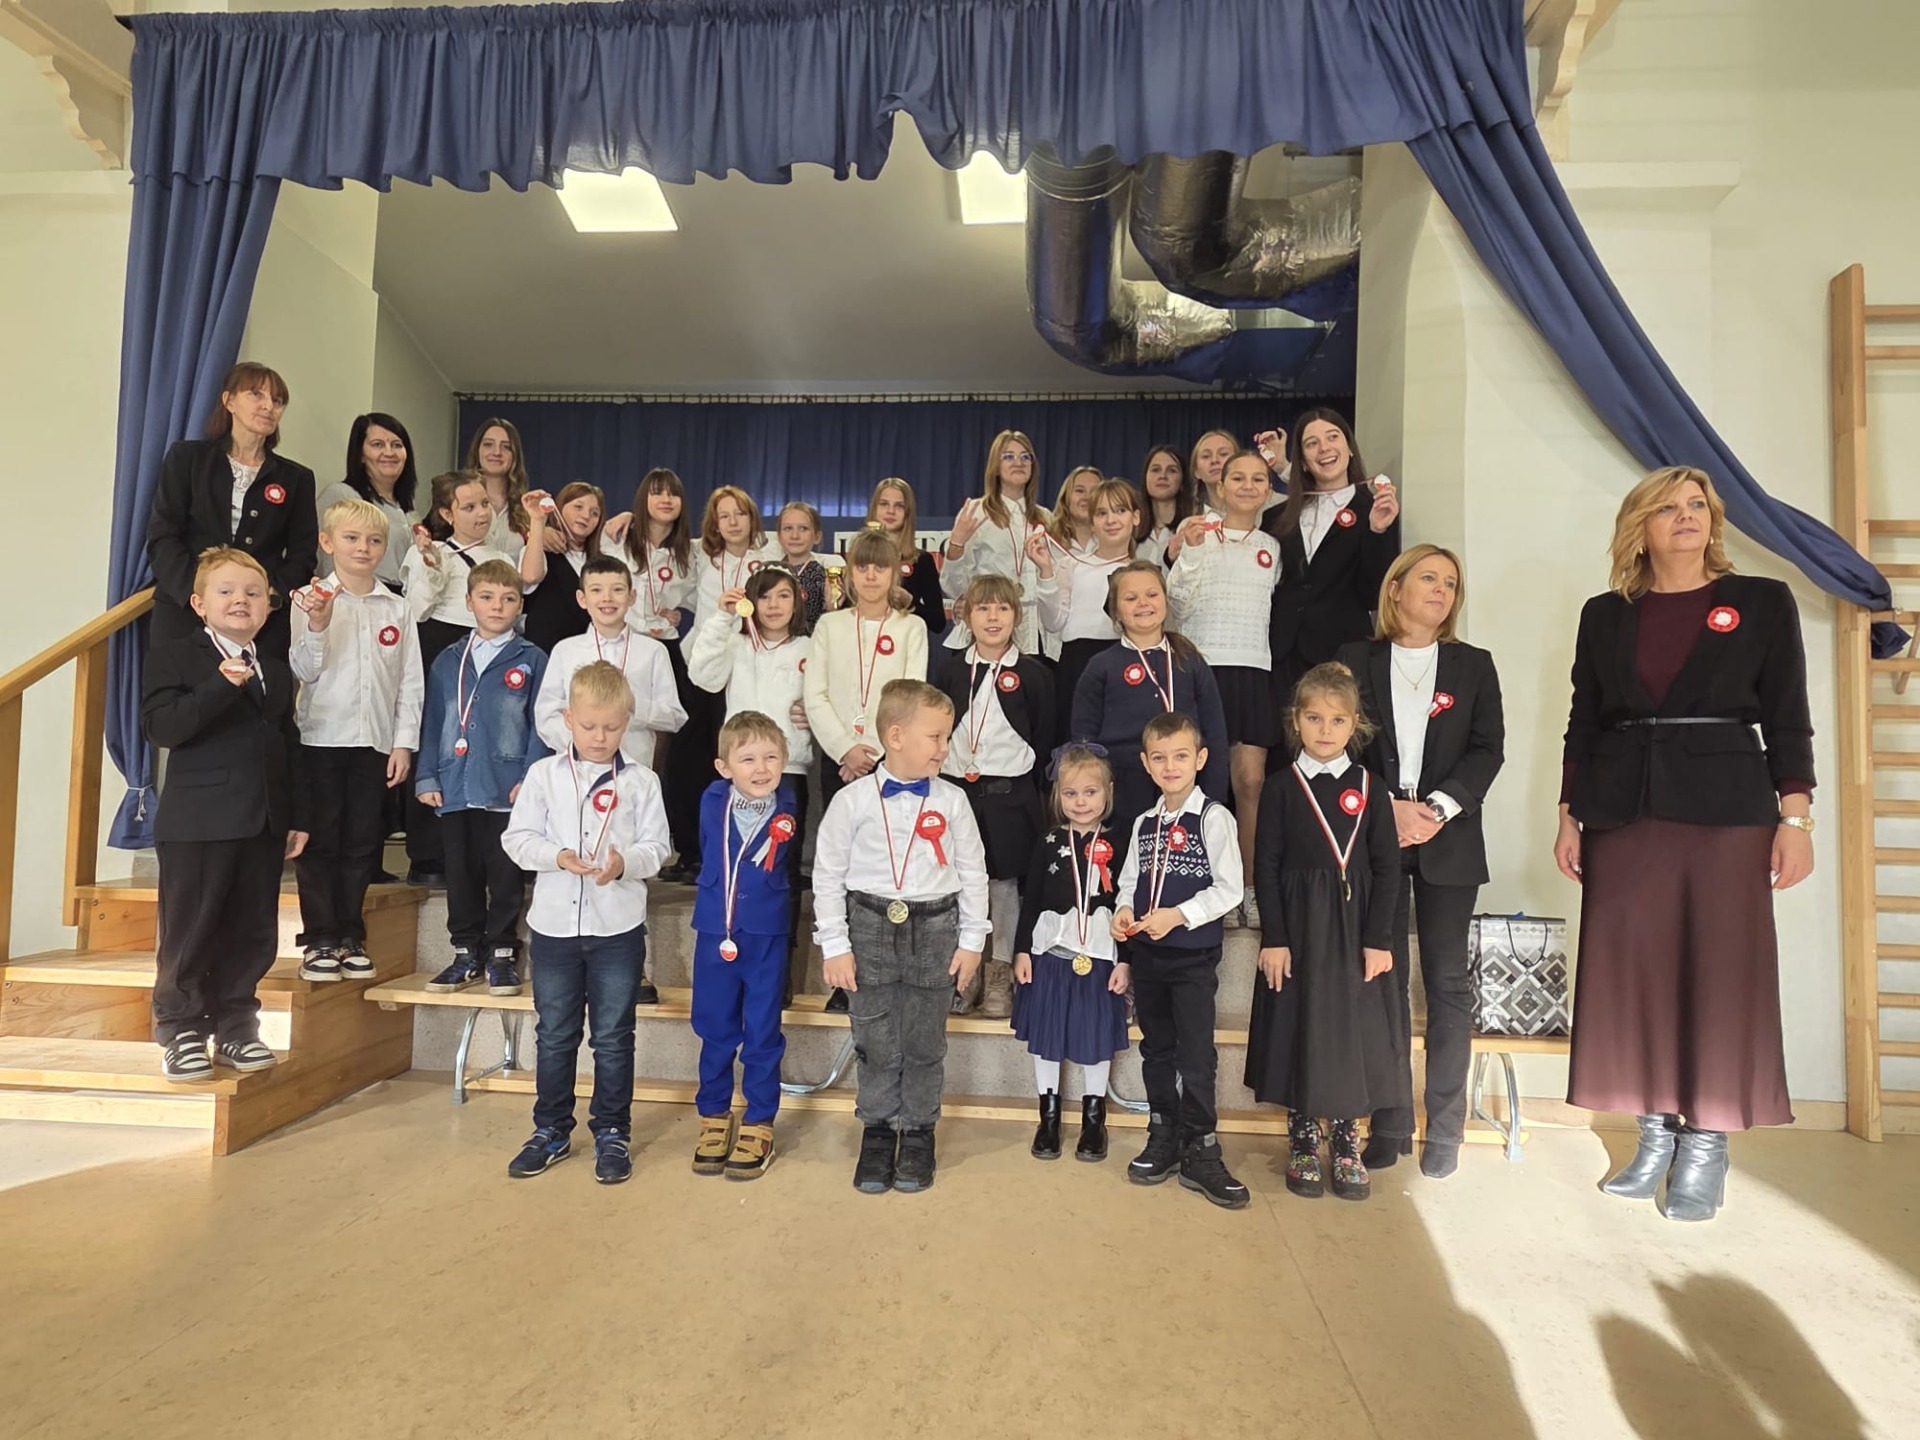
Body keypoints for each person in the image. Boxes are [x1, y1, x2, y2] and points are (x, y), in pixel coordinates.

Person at [1556, 466, 1814, 1224]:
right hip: (1623, 811)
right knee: (1633, 975)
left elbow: (1789, 716)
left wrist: (1795, 819)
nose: (1686, 516)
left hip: (1727, 812)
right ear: (1640, 526)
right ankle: (1653, 1136)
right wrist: (1568, 814)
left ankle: (1706, 1143)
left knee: (1720, 974)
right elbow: (1584, 719)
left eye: (1697, 505)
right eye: (1667, 507)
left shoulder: (1761, 601)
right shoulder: (1605, 614)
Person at [1334, 544, 1505, 1179]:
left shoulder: (1473, 665)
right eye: (1428, 578)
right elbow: (1338, 744)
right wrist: (1387, 810)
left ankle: (1446, 1131)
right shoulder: (1355, 659)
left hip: (1448, 836)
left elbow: (1488, 749)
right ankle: (1390, 1124)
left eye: (1451, 583)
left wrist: (1434, 809)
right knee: (1382, 980)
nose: (1440, 590)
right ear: (1396, 589)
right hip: (1375, 834)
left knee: (1447, 985)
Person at [813, 679, 989, 1195]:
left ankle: (917, 1131)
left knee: (924, 1040)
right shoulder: (851, 801)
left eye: (946, 737)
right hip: (867, 926)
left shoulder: (954, 801)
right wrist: (835, 945)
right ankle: (876, 1129)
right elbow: (827, 876)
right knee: (874, 1038)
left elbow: (973, 873)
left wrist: (972, 941)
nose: (943, 748)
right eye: (935, 737)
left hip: (935, 928)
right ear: (895, 736)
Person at [501, 660, 671, 1185]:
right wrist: (556, 856)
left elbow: (658, 847)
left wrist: (625, 863)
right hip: (554, 929)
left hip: (617, 930)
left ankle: (613, 1132)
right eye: (590, 726)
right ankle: (550, 1130)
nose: (600, 737)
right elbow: (516, 839)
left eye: (612, 727)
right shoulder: (543, 776)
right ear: (568, 720)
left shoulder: (642, 781)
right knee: (555, 1034)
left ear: (627, 722)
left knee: (614, 1037)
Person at [141, 547, 307, 1081]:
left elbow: (286, 744)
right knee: (191, 928)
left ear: (268, 606)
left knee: (252, 929)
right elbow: (163, 728)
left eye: (254, 593)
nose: (242, 600)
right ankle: (181, 1029)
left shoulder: (274, 669)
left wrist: (296, 814)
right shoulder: (174, 656)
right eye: (227, 591)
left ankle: (237, 1026)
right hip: (198, 821)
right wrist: (221, 684)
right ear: (199, 604)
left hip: (261, 821)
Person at [1246, 663, 1404, 1202]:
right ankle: (1302, 1136)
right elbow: (1267, 866)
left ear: (1354, 725)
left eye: (1337, 720)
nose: (1325, 729)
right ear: (1296, 721)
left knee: (1350, 1030)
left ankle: (1345, 1138)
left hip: (1355, 931)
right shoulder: (1280, 787)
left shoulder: (1372, 788)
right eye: (1314, 718)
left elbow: (1387, 868)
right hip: (1298, 928)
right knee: (1301, 1023)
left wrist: (1379, 939)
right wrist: (1274, 937)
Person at [1111, 710, 1247, 1208]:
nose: (1171, 767)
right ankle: (1163, 1133)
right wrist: (1124, 910)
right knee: (1156, 1049)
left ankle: (1202, 1146)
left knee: (1195, 1054)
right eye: (1160, 758)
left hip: (1192, 957)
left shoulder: (1214, 817)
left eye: (1181, 756)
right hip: (1149, 956)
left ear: (1201, 759)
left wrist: (1179, 915)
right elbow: (1129, 880)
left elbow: (1230, 889)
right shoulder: (1144, 823)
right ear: (1146, 764)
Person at [288, 499, 423, 982]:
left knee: (363, 842)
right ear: (327, 543)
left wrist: (403, 743)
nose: (363, 548)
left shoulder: (397, 607)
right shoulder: (309, 599)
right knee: (321, 841)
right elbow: (303, 669)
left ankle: (350, 935)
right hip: (321, 739)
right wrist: (319, 624)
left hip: (374, 742)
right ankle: (319, 939)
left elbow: (409, 681)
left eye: (374, 540)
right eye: (351, 538)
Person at [804, 528, 931, 1008]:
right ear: (850, 573)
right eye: (863, 566)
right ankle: (843, 976)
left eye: (881, 566)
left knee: (887, 864)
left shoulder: (911, 628)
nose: (872, 575)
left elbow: (911, 694)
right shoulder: (829, 626)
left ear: (896, 571)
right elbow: (814, 695)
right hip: (839, 762)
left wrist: (877, 752)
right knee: (841, 864)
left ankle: (887, 968)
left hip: (889, 761)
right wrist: (845, 749)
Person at [416, 560, 550, 998]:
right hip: (455, 785)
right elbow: (433, 721)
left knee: (505, 874)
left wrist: (531, 777)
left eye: (509, 598)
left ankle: (502, 953)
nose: (497, 606)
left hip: (506, 788)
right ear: (469, 601)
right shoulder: (448, 660)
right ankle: (465, 951)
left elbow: (541, 726)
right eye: (487, 597)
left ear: (520, 605)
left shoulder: (532, 659)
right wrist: (426, 775)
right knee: (461, 873)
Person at [1170, 451, 1285, 925]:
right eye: (1238, 477)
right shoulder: (1197, 533)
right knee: (1198, 783)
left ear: (1267, 491)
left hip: (1254, 671)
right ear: (1220, 486)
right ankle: (1199, 888)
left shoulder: (1272, 547)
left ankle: (1248, 890)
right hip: (1202, 670)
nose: (1247, 485)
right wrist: (1190, 550)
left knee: (1251, 783)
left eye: (1258, 479)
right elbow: (1176, 603)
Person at [687, 564, 814, 996]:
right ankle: (731, 950)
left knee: (781, 870)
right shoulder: (737, 644)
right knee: (732, 864)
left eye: (783, 596)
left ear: (797, 602)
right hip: (738, 776)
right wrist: (721, 619)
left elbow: (827, 695)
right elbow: (702, 676)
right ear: (751, 604)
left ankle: (781, 972)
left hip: (788, 771)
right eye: (764, 596)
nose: (773, 605)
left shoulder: (810, 648)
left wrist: (813, 714)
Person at [934, 575, 1053, 1019]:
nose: (992, 617)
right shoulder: (950, 671)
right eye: (983, 608)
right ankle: (965, 972)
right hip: (957, 793)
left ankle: (1000, 969)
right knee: (960, 882)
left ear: (1017, 616)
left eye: (1002, 608)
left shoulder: (1034, 674)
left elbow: (1044, 735)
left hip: (1009, 795)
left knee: (1003, 886)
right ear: (966, 616)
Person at [688, 710, 799, 1181]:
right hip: (717, 929)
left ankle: (759, 1119)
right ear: (724, 766)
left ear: (785, 760)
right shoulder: (712, 799)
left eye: (771, 757)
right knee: (714, 1025)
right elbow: (707, 845)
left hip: (766, 931)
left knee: (762, 1029)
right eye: (748, 758)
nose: (761, 768)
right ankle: (714, 1113)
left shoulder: (787, 803)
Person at [146, 361, 316, 659]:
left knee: (255, 688)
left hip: (261, 625)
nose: (268, 406)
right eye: (256, 394)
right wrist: (200, 596)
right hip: (185, 614)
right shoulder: (187, 458)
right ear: (229, 401)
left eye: (277, 401)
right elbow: (164, 536)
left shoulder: (296, 478)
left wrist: (268, 598)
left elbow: (303, 554)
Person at [1012, 742, 1128, 1162]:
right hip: (1051, 955)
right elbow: (1031, 900)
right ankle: (1048, 1117)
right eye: (1071, 793)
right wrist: (1021, 951)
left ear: (1108, 792)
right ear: (1057, 796)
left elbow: (1127, 905)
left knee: (1095, 1036)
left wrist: (1126, 960)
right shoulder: (1047, 841)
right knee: (1048, 1038)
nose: (1081, 802)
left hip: (1099, 957)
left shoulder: (1121, 841)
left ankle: (1094, 1119)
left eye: (1090, 792)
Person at [401, 470, 514, 886]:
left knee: (485, 743)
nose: (481, 513)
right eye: (468, 507)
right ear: (447, 514)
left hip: (490, 645)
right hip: (442, 643)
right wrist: (432, 568)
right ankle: (428, 854)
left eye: (484, 503)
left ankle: (482, 851)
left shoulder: (500, 557)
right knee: (439, 741)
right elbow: (415, 611)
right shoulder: (428, 552)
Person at [1069, 561, 1229, 840]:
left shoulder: (1189, 660)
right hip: (1125, 787)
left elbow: (1214, 730)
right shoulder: (1101, 666)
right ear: (1115, 611)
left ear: (1166, 601)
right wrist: (1094, 792)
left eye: (1152, 594)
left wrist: (1214, 793)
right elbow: (1084, 737)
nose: (1143, 603)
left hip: (1185, 781)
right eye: (1131, 598)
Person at [663, 485, 775, 880]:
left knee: (735, 758)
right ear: (713, 523)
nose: (732, 522)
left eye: (739, 514)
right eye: (723, 516)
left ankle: (734, 851)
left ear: (752, 518)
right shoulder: (699, 555)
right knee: (686, 762)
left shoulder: (771, 554)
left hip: (748, 667)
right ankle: (690, 851)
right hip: (702, 665)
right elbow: (656, 542)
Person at [1264, 408, 1401, 722]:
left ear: (1349, 447)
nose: (1324, 448)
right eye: (1311, 443)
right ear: (1302, 460)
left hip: (1343, 656)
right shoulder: (1276, 517)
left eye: (1332, 437)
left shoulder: (1375, 509)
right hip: (1282, 657)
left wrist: (1377, 531)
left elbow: (1374, 595)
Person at [532, 555, 686, 770]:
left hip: (633, 769)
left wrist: (634, 704)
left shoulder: (653, 651)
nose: (607, 598)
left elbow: (674, 717)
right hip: (577, 769)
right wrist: (583, 746)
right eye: (596, 590)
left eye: (617, 590)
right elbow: (546, 714)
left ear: (631, 597)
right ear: (582, 598)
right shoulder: (565, 651)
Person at [1034, 478, 1139, 745]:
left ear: (1136, 517)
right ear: (1092, 523)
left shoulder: (1143, 572)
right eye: (1101, 513)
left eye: (1120, 510)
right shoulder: (1072, 566)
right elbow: (1053, 622)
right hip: (1077, 665)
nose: (1111, 520)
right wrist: (1046, 572)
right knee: (1077, 744)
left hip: (1127, 662)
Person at [940, 429, 1048, 654]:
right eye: (1008, 456)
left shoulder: (1046, 517)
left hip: (1034, 633)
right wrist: (957, 544)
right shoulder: (977, 512)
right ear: (995, 467)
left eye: (1025, 456)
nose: (1018, 462)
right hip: (984, 632)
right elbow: (954, 587)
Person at [316, 413, 417, 590]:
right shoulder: (342, 495)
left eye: (397, 445)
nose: (389, 452)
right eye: (378, 444)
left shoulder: (406, 510)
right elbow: (326, 561)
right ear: (360, 455)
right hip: (352, 597)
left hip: (397, 600)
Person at [518, 482, 606, 653]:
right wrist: (538, 523)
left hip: (587, 654)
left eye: (594, 513)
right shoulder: (538, 549)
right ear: (558, 508)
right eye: (578, 507)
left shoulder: (602, 561)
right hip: (545, 652)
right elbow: (531, 576)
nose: (586, 516)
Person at [866, 477, 947, 639]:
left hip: (906, 645)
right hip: (863, 644)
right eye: (884, 504)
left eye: (899, 506)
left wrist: (910, 602)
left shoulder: (922, 560)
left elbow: (938, 623)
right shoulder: (860, 556)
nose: (890, 511)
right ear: (874, 509)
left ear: (908, 513)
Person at [465, 416, 530, 559]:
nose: (497, 452)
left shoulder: (527, 508)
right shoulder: (455, 499)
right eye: (488, 444)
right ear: (477, 450)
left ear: (515, 455)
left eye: (506, 447)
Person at [772, 501, 832, 628]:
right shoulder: (770, 573)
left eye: (803, 529)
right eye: (788, 528)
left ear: (817, 536)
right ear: (779, 536)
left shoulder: (823, 576)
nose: (795, 536)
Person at [1135, 445, 1197, 567]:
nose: (1162, 476)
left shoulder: (1191, 529)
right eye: (1155, 470)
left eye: (1172, 470)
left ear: (1182, 482)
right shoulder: (1132, 531)